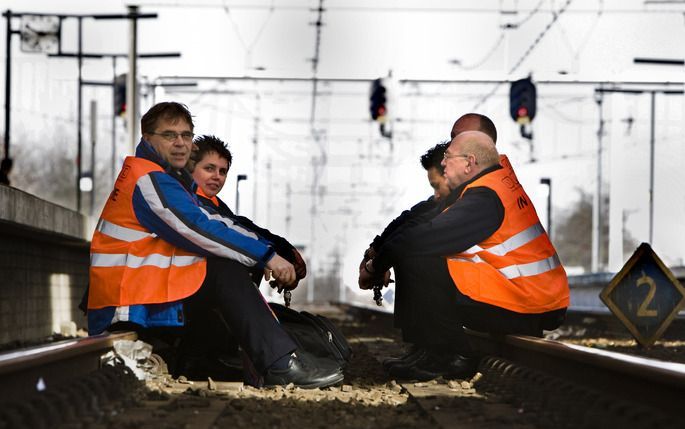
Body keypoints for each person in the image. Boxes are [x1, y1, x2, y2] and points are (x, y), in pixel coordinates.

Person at [86, 101, 342, 389]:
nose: (181, 143)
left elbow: (219, 222)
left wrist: (269, 249)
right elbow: (198, 227)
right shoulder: (148, 179)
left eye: (186, 135)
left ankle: (208, 358)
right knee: (222, 268)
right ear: (147, 139)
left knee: (222, 266)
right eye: (170, 135)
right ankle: (279, 364)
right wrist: (268, 256)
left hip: (140, 293)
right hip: (125, 304)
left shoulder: (165, 179)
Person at [359, 129, 569, 382]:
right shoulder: (485, 185)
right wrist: (377, 254)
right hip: (524, 295)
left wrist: (374, 267)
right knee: (415, 251)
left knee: (418, 257)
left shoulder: (485, 198)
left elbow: (419, 240)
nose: (444, 162)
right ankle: (430, 351)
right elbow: (415, 219)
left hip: (529, 304)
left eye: (448, 157)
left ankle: (455, 356)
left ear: (470, 162)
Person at [189, 134, 306, 287]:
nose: (217, 177)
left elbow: (239, 223)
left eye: (222, 171)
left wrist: (283, 248)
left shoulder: (216, 203)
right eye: (209, 168)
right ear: (191, 168)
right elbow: (229, 230)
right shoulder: (191, 202)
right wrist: (275, 254)